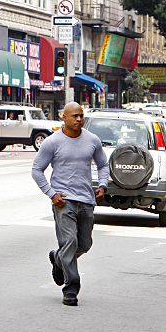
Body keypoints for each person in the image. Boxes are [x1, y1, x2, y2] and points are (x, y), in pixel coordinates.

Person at [31, 101, 109, 306]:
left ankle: (58, 259)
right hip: (63, 201)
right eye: (74, 116)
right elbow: (37, 169)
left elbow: (103, 164)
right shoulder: (52, 142)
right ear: (63, 118)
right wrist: (51, 193)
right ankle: (71, 289)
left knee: (84, 244)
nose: (79, 119)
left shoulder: (92, 140)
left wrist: (103, 185)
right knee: (70, 242)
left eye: (81, 116)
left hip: (86, 200)